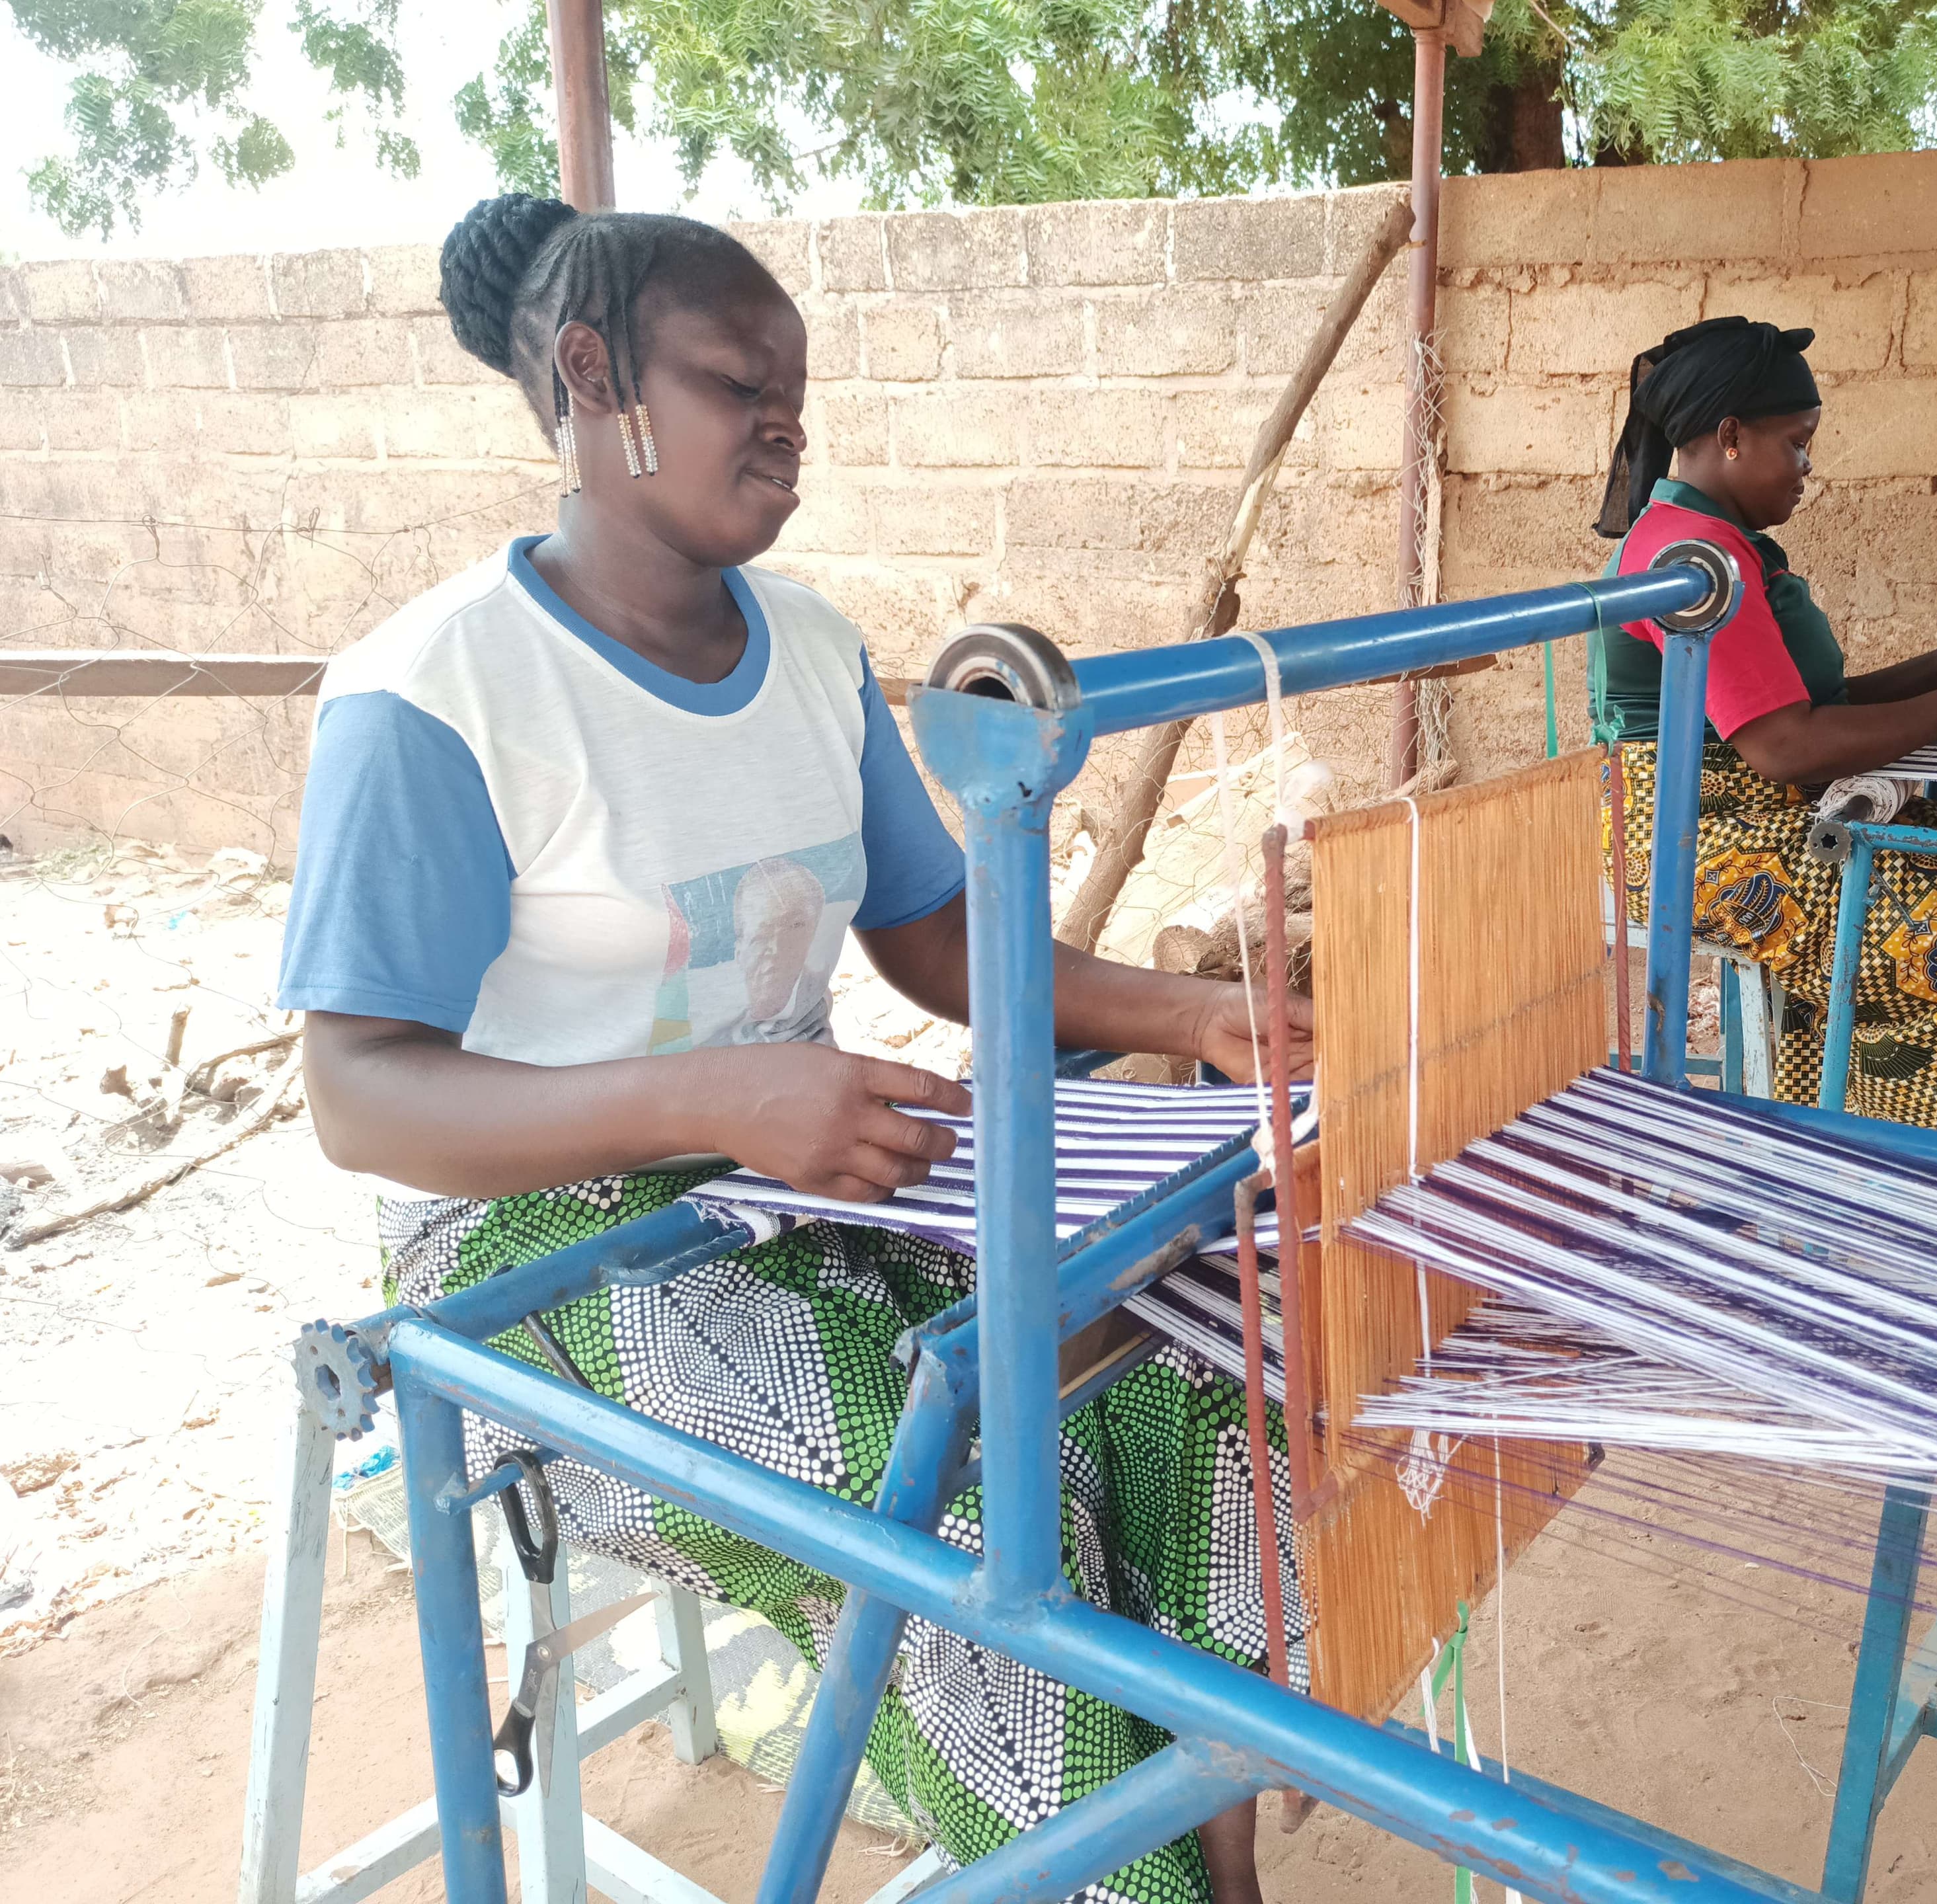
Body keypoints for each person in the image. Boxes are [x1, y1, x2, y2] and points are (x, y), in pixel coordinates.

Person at [278, 194, 1305, 1904]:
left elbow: (935, 942)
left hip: (802, 1181)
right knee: (959, 1517)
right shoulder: (442, 692)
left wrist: (1194, 1013)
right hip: (544, 1251)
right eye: (736, 384)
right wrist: (722, 1099)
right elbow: (358, 1092)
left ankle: (1204, 1863)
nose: (784, 428)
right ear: (595, 381)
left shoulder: (812, 655)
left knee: (1187, 1368)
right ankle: (1096, 1876)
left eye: (798, 397)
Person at [1593, 316, 1937, 1154]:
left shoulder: (1717, 546)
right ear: (1733, 436)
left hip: (1741, 814)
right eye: (1798, 443)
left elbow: (1797, 708)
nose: (1810, 468)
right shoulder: (1695, 562)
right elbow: (1784, 746)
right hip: (1686, 840)